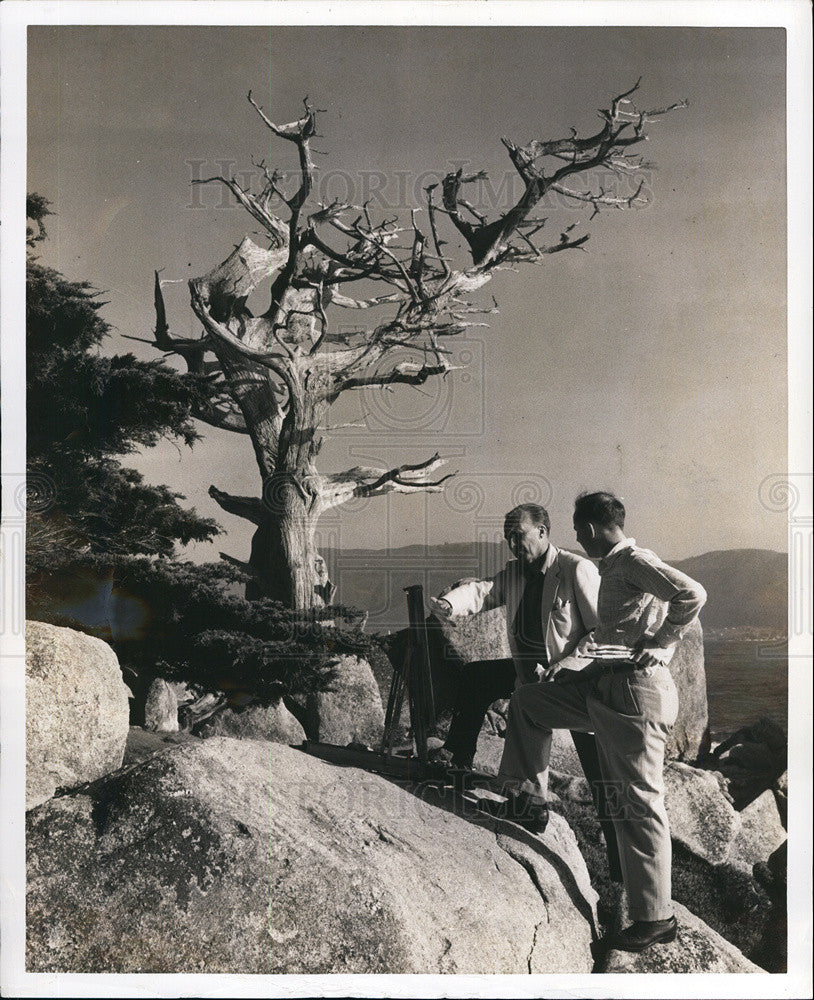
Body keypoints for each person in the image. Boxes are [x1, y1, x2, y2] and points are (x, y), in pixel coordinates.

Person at [497, 491, 707, 952]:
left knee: (638, 802)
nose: (577, 538)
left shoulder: (633, 560)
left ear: (588, 529)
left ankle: (657, 917)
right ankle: (529, 798)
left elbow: (692, 593)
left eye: (577, 530)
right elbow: (614, 635)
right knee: (530, 702)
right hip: (603, 686)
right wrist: (579, 668)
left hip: (635, 695)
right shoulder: (613, 567)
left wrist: (665, 640)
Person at [428, 502, 609, 840]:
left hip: (574, 678)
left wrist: (566, 665)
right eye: (508, 538)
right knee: (476, 678)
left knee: (601, 776)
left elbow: (602, 631)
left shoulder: (575, 569)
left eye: (519, 536)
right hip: (527, 673)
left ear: (543, 532)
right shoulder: (515, 571)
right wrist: (451, 603)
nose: (512, 544)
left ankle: (617, 861)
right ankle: (461, 760)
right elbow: (483, 592)